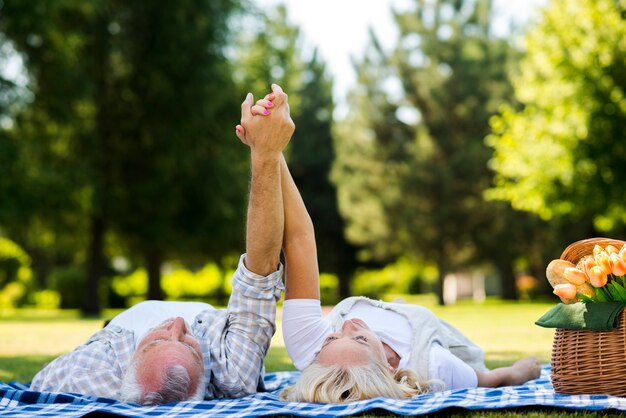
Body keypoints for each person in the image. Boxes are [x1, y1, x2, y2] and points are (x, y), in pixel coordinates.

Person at [236, 88, 542, 404]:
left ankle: (392, 313)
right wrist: (506, 375)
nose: (347, 325)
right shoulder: (436, 367)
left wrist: (269, 147)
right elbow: (485, 382)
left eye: (332, 337)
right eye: (358, 339)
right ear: (391, 365)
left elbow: (298, 239)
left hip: (392, 314)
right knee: (488, 375)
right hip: (433, 337)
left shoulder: (307, 347)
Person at [29, 84, 296, 405]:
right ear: (207, 382)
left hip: (119, 328)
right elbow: (260, 273)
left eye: (156, 342)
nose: (178, 325)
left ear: (129, 363)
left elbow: (37, 385)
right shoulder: (233, 376)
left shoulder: (88, 373)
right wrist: (265, 152)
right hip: (203, 328)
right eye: (188, 344)